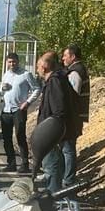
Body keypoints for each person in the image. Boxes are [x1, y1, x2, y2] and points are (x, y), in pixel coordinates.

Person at [33, 51, 79, 193]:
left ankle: (53, 198)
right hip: (53, 133)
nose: (37, 69)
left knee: (51, 165)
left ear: (45, 66)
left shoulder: (54, 81)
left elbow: (58, 111)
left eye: (38, 66)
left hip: (50, 135)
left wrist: (49, 132)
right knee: (54, 165)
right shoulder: (57, 79)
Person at [0, 52, 40, 173]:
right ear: (7, 63)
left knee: (20, 136)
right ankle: (11, 163)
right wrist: (2, 89)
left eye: (14, 62)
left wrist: (27, 102)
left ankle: (25, 164)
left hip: (19, 110)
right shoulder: (6, 74)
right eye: (10, 62)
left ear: (18, 62)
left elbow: (37, 89)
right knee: (6, 138)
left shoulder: (25, 74)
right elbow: (1, 90)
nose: (12, 64)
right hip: (6, 109)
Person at [61, 44, 90, 187]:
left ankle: (68, 180)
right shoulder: (77, 70)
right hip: (74, 116)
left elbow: (71, 96)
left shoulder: (75, 72)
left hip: (72, 117)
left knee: (68, 149)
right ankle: (67, 177)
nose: (63, 59)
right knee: (67, 148)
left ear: (72, 57)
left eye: (65, 56)